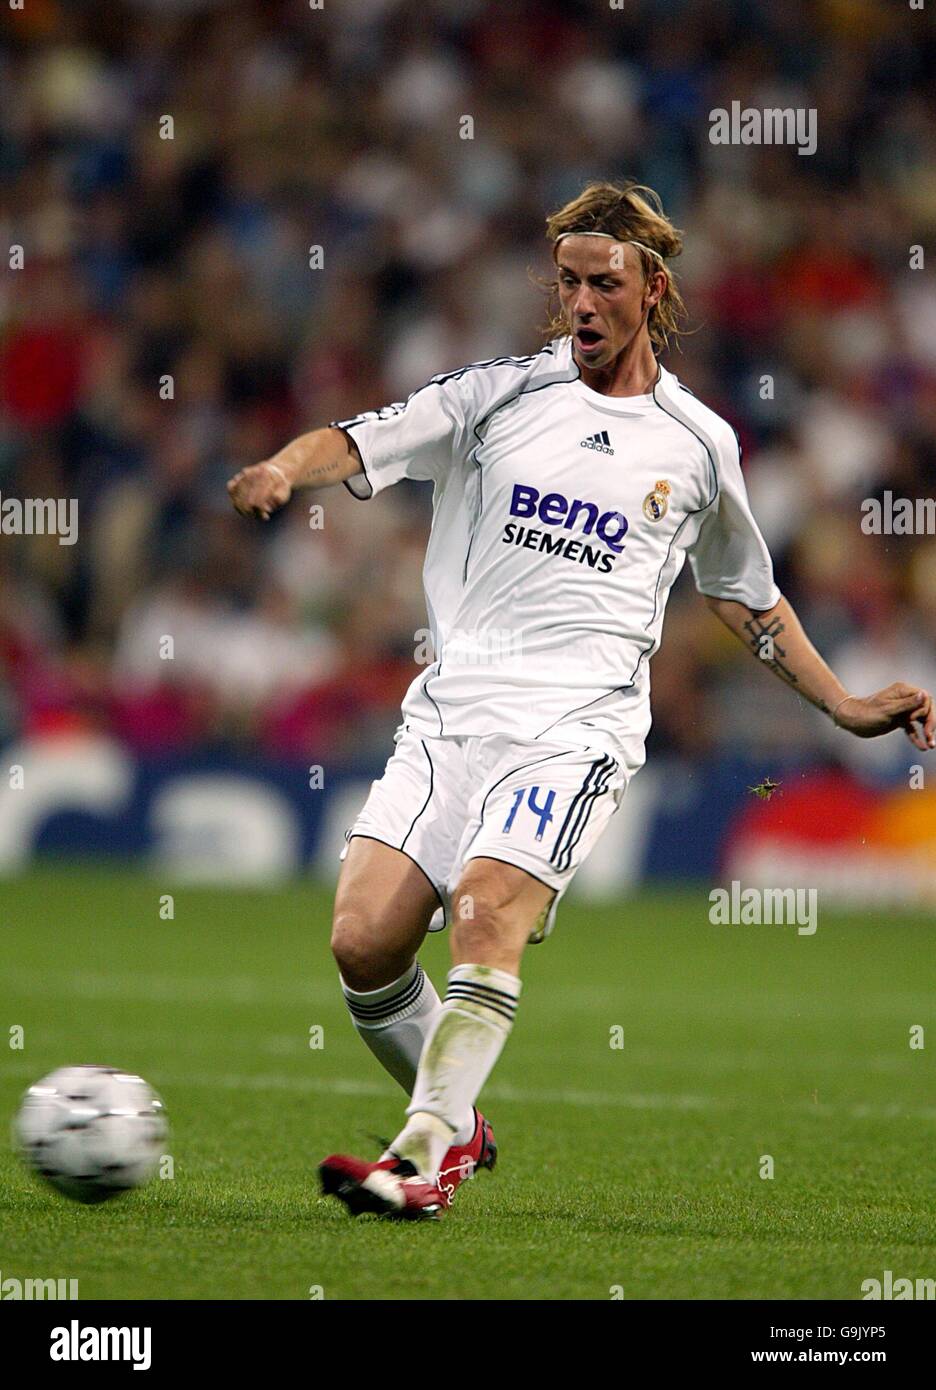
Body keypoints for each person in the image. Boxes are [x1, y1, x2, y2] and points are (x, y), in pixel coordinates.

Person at [227, 181, 935, 1221]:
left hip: (578, 726)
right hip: (452, 714)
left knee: (484, 911)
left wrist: (842, 704)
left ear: (654, 289)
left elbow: (747, 598)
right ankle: (456, 1116)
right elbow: (361, 436)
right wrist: (286, 469)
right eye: (567, 283)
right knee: (365, 942)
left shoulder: (696, 444)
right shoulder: (497, 395)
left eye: (604, 283)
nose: (583, 303)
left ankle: (423, 1154)